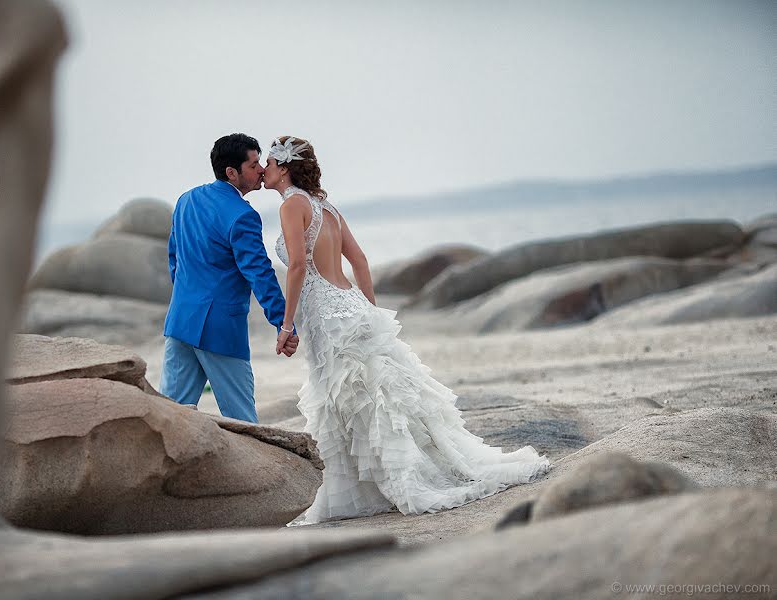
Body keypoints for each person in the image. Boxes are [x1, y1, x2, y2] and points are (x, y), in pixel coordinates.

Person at [264, 136, 552, 523]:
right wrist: (369, 309)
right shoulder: (325, 207)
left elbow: (298, 266)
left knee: (350, 401)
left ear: (284, 167)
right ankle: (395, 477)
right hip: (351, 306)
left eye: (268, 162)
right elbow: (361, 261)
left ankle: (386, 485)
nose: (264, 169)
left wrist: (286, 323)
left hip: (328, 318)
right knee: (381, 398)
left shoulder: (292, 205)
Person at [161, 133, 299, 423]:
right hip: (219, 331)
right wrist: (282, 322)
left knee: (169, 419)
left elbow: (174, 259)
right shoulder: (242, 215)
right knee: (244, 422)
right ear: (231, 173)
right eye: (253, 164)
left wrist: (190, 300)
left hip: (180, 322)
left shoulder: (186, 200)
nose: (261, 169)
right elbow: (259, 273)